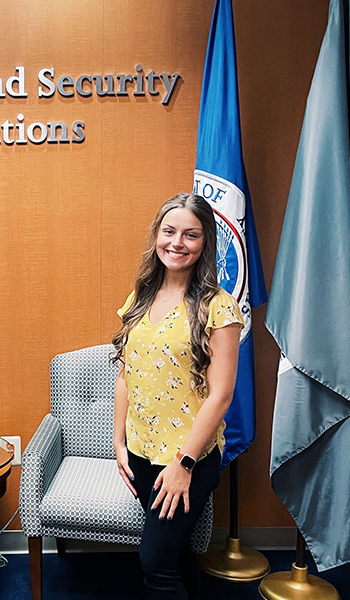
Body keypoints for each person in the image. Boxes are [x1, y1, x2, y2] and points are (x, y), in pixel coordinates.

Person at [111, 192, 243, 600]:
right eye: (169, 231)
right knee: (175, 553)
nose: (177, 243)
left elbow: (221, 395)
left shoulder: (217, 307)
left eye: (191, 234)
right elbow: (125, 371)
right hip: (141, 450)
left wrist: (184, 463)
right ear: (156, 235)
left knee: (155, 564)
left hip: (188, 456)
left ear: (205, 243)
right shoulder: (140, 297)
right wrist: (118, 442)